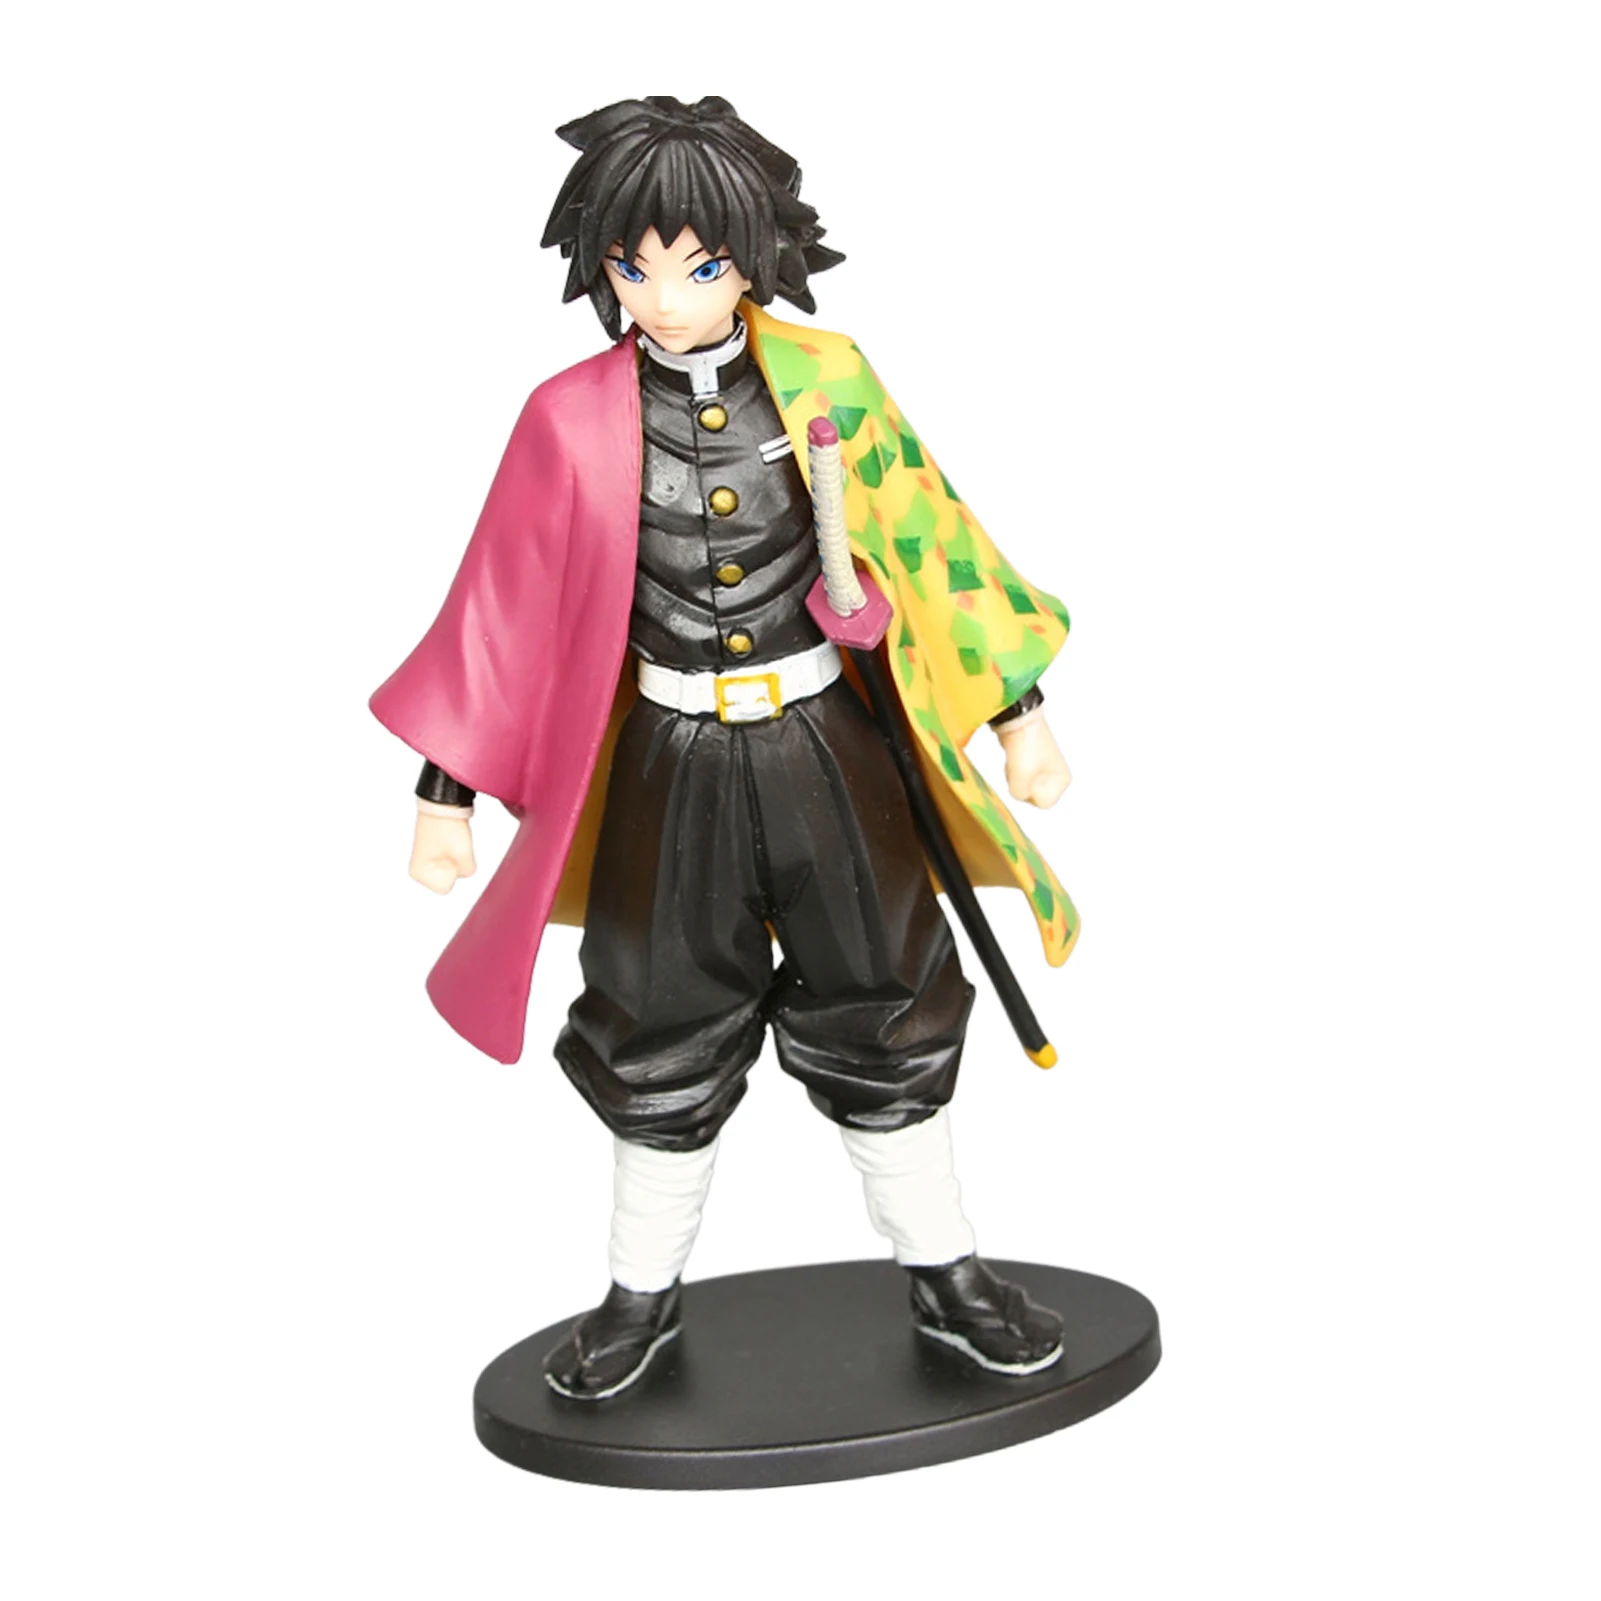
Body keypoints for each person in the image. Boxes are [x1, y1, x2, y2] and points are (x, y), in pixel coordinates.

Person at [372, 96, 1081, 1401]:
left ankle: (946, 1273)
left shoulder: (831, 380)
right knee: (658, 1025)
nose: (663, 297)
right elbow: (501, 608)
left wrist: (1020, 714)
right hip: (671, 772)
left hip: (829, 755)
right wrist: (444, 789)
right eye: (634, 268)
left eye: (698, 267)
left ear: (756, 255)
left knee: (886, 1004)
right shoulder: (567, 419)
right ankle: (639, 1295)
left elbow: (934, 536)